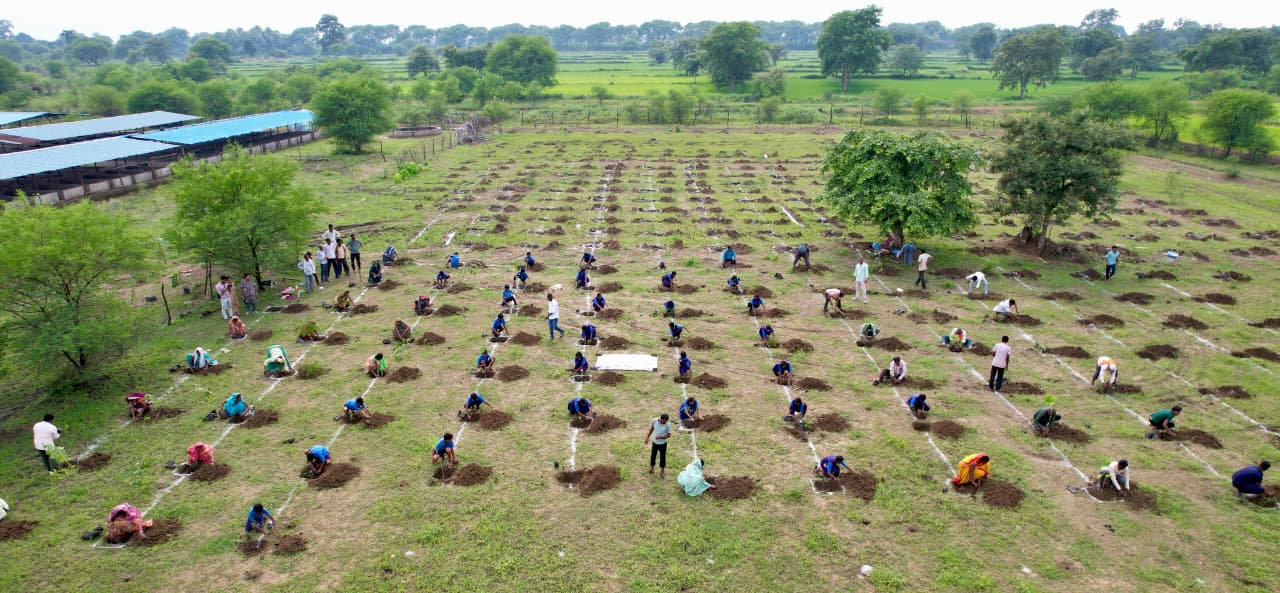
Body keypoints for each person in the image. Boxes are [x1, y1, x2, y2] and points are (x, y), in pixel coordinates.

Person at [645, 414, 673, 478]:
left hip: (663, 444)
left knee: (662, 457)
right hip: (655, 443)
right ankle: (652, 468)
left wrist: (661, 437)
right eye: (663, 421)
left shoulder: (667, 425)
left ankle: (662, 471)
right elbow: (651, 429)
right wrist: (647, 438)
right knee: (653, 455)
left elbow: (669, 435)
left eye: (665, 421)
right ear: (660, 419)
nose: (664, 422)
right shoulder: (654, 421)